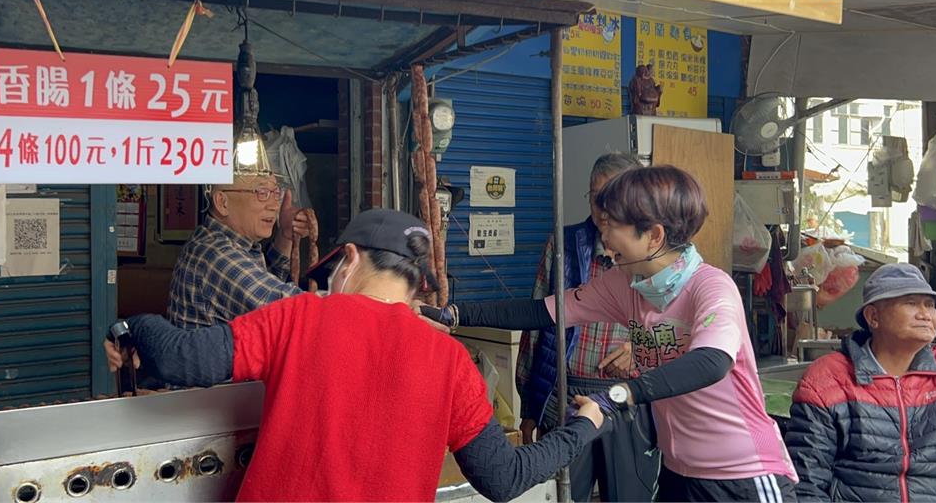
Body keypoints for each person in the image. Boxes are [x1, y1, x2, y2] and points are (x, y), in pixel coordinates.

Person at [105, 209, 607, 502]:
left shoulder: (300, 316)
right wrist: (584, 424)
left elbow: (175, 358)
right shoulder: (452, 362)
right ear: (417, 285)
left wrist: (133, 329)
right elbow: (504, 479)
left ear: (347, 261)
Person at [431, 165, 798, 502]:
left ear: (653, 235)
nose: (603, 238)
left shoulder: (711, 288)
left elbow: (712, 362)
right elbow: (543, 311)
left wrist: (618, 396)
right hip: (679, 470)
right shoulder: (626, 284)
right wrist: (456, 314)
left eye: (611, 226)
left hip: (743, 472)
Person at [516, 152, 656, 502]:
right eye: (596, 196)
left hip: (628, 399)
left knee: (627, 496)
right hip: (566, 397)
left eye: (613, 195)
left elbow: (681, 328)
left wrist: (639, 348)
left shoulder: (654, 251)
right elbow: (536, 323)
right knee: (563, 496)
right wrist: (529, 408)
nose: (603, 207)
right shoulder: (564, 245)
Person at [786, 263, 936, 502]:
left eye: (929, 305)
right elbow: (807, 484)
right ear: (873, 316)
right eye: (911, 303)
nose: (925, 314)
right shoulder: (827, 381)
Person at [167, 174, 311, 329]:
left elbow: (267, 279)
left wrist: (286, 234)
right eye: (261, 193)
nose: (274, 206)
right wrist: (339, 283)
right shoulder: (216, 254)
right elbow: (292, 309)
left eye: (276, 193)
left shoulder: (227, 242)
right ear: (222, 203)